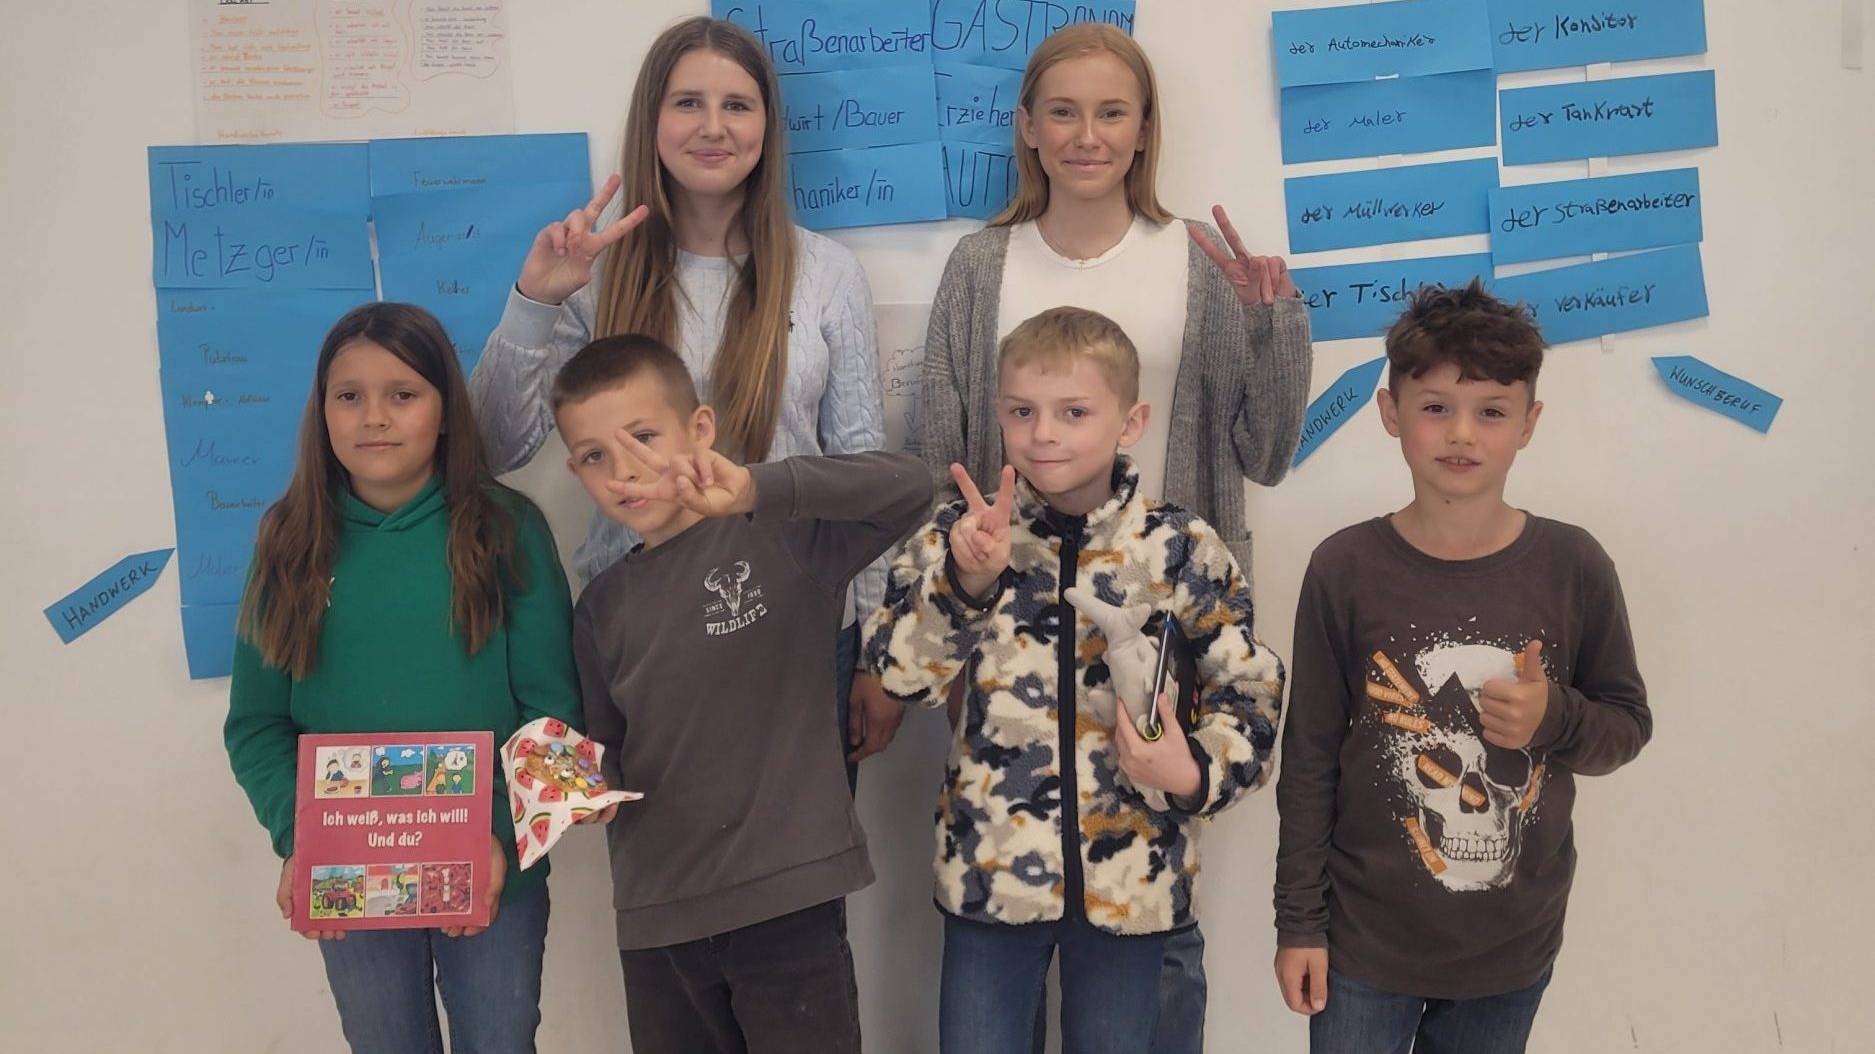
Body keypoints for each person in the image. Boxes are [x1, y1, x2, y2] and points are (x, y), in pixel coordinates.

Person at [911, 27, 1313, 1044]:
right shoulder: (981, 264)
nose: (1086, 134)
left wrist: (1273, 330)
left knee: (1144, 922)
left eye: (1111, 112)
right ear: (1027, 128)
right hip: (1012, 633)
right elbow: (939, 459)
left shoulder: (1198, 262)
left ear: (1143, 130)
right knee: (1001, 932)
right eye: (1063, 111)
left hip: (1165, 623)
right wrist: (954, 615)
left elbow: (1266, 452)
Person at [469, 16, 901, 781]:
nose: (712, 127)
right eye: (687, 103)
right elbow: (496, 449)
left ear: (766, 126)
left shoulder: (825, 273)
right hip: (643, 634)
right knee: (666, 845)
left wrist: (876, 649)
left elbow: (858, 469)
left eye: (736, 105)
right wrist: (536, 300)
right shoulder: (594, 273)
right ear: (652, 121)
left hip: (800, 634)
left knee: (807, 853)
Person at [865, 307, 1284, 1054]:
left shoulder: (1179, 546)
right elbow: (898, 676)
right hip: (991, 877)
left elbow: (1249, 692)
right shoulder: (960, 536)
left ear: (1131, 422)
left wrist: (1194, 771)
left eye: (1074, 412)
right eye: (1021, 411)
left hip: (1135, 883)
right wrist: (964, 583)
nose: (1044, 434)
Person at [1273, 281, 1652, 1053]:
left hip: (1512, 946)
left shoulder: (1574, 565)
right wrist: (1298, 922)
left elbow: (1624, 728)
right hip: (1361, 942)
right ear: (1390, 412)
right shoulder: (1342, 568)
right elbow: (1308, 757)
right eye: (1435, 406)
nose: (1460, 433)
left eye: (1490, 411)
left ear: (1528, 423)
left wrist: (1552, 718)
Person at [552, 334, 931, 1052]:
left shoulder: (782, 539)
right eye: (595, 456)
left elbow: (910, 488)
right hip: (658, 918)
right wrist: (583, 785)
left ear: (700, 429)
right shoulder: (599, 607)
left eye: (642, 437)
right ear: (576, 471)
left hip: (787, 902)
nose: (623, 470)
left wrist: (758, 488)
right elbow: (604, 743)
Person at [224, 302, 585, 1053]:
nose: (374, 417)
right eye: (348, 396)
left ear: (445, 410)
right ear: (322, 412)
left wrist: (500, 839)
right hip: (348, 877)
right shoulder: (287, 544)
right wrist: (302, 837)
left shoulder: (507, 531)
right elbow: (256, 726)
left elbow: (555, 720)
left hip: (495, 871)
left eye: (403, 394)